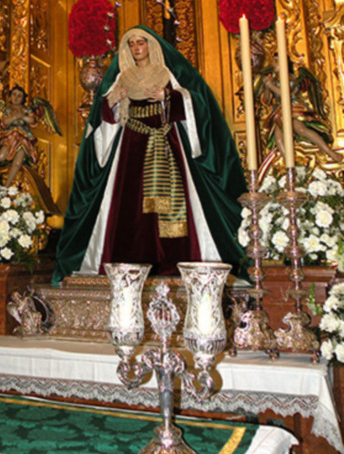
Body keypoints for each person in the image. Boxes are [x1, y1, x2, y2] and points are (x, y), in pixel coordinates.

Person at [53, 26, 247, 284]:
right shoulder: (123, 76)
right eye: (131, 44)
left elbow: (197, 103)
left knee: (169, 203)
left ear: (151, 46)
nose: (136, 48)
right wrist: (113, 101)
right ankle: (130, 263)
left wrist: (168, 96)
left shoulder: (166, 73)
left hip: (166, 144)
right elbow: (104, 117)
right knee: (130, 204)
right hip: (131, 147)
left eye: (140, 43)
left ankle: (175, 261)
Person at [259, 53, 342, 163]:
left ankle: (330, 152)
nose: (273, 64)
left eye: (276, 61)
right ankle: (290, 166)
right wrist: (267, 87)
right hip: (278, 113)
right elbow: (267, 100)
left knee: (301, 129)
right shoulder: (273, 79)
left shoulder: (291, 78)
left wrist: (271, 86)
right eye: (273, 61)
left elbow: (286, 93)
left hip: (292, 108)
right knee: (279, 140)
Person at [0, 85, 62, 186]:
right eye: (14, 94)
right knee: (0, 157)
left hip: (24, 138)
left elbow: (32, 120)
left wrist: (23, 116)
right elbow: (5, 122)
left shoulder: (27, 109)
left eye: (19, 96)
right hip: (10, 137)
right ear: (10, 96)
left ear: (23, 99)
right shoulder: (7, 109)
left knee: (18, 162)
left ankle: (6, 186)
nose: (16, 97)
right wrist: (16, 116)